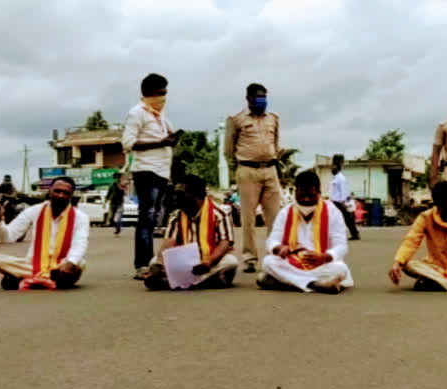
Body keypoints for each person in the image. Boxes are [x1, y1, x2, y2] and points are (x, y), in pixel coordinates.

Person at [122, 73, 183, 279]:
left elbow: (167, 137)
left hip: (162, 171)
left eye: (165, 93)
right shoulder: (136, 113)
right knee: (146, 217)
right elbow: (128, 143)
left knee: (156, 216)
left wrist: (171, 140)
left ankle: (154, 261)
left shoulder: (161, 114)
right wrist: (161, 143)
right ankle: (142, 264)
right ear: (148, 94)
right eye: (160, 93)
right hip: (146, 170)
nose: (164, 97)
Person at [257, 170, 353, 294]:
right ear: (295, 192)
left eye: (311, 195)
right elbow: (272, 240)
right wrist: (279, 248)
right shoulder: (285, 212)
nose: (306, 200)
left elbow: (341, 246)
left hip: (321, 264)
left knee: (340, 268)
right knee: (268, 262)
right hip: (292, 261)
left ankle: (286, 282)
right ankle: (316, 284)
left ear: (319, 193)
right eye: (302, 195)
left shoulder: (332, 212)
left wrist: (324, 257)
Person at [0, 177, 89, 290]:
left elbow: (80, 243)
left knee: (79, 263)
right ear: (50, 191)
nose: (61, 195)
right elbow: (8, 237)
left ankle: (23, 278)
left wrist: (71, 262)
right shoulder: (34, 211)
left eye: (65, 193)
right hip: (34, 264)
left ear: (71, 196)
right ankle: (49, 278)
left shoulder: (81, 217)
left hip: (61, 265)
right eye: (57, 191)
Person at [224, 83, 282, 273]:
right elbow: (228, 150)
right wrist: (238, 169)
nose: (262, 100)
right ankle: (250, 258)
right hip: (247, 169)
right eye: (258, 97)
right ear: (248, 99)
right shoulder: (237, 120)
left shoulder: (273, 119)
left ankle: (275, 254)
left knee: (275, 216)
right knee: (247, 216)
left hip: (270, 169)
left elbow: (277, 143)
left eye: (264, 96)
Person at [144, 175, 238, 290]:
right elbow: (169, 241)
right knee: (153, 261)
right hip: (183, 263)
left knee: (231, 262)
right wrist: (160, 262)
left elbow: (225, 243)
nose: (175, 198)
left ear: (196, 197)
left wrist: (208, 262)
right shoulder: (176, 215)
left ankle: (171, 282)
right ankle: (206, 281)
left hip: (210, 262)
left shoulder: (219, 214)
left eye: (180, 195)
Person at [329, 155, 360, 240]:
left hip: (339, 202)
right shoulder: (335, 178)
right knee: (343, 218)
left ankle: (355, 234)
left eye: (334, 167)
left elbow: (343, 190)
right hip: (334, 201)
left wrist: (343, 202)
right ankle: (354, 233)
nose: (332, 169)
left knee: (346, 218)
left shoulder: (340, 178)